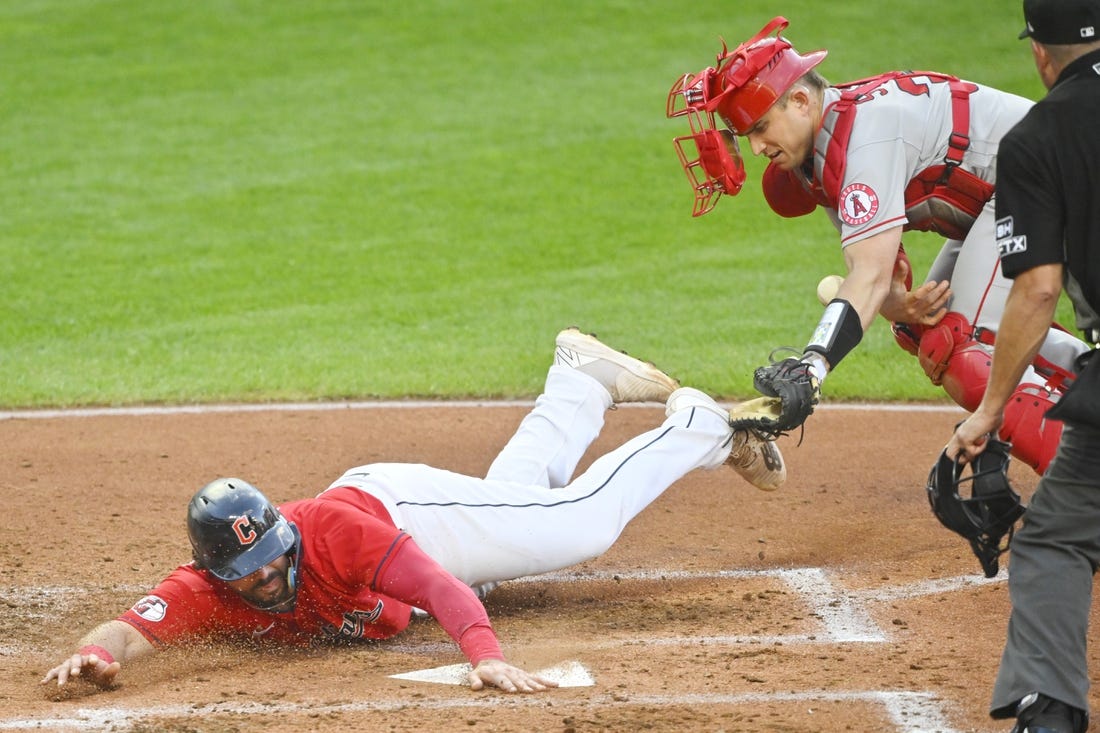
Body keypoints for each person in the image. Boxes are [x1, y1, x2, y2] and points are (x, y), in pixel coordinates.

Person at [41, 327, 786, 695]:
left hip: (410, 514)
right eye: (247, 569)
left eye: (269, 551)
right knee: (520, 507)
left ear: (279, 530)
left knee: (577, 524)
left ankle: (696, 426)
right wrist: (97, 654)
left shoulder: (329, 535)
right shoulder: (204, 588)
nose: (266, 571)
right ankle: (579, 385)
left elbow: (438, 588)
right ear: (215, 571)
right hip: (405, 522)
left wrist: (485, 654)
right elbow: (133, 626)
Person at [666, 15, 1089, 474]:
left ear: (802, 100)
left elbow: (867, 276)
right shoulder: (823, 147)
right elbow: (879, 279)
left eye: (762, 126)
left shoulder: (867, 135)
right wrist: (896, 306)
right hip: (1013, 189)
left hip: (1056, 177)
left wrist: (813, 365)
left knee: (963, 349)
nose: (756, 147)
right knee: (928, 332)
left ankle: (1083, 484)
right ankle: (1086, 386)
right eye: (748, 134)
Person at [945, 0, 1100, 730]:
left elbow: (1036, 290)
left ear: (1040, 52)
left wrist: (988, 409)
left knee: (1058, 538)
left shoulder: (1039, 137)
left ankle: (1051, 717)